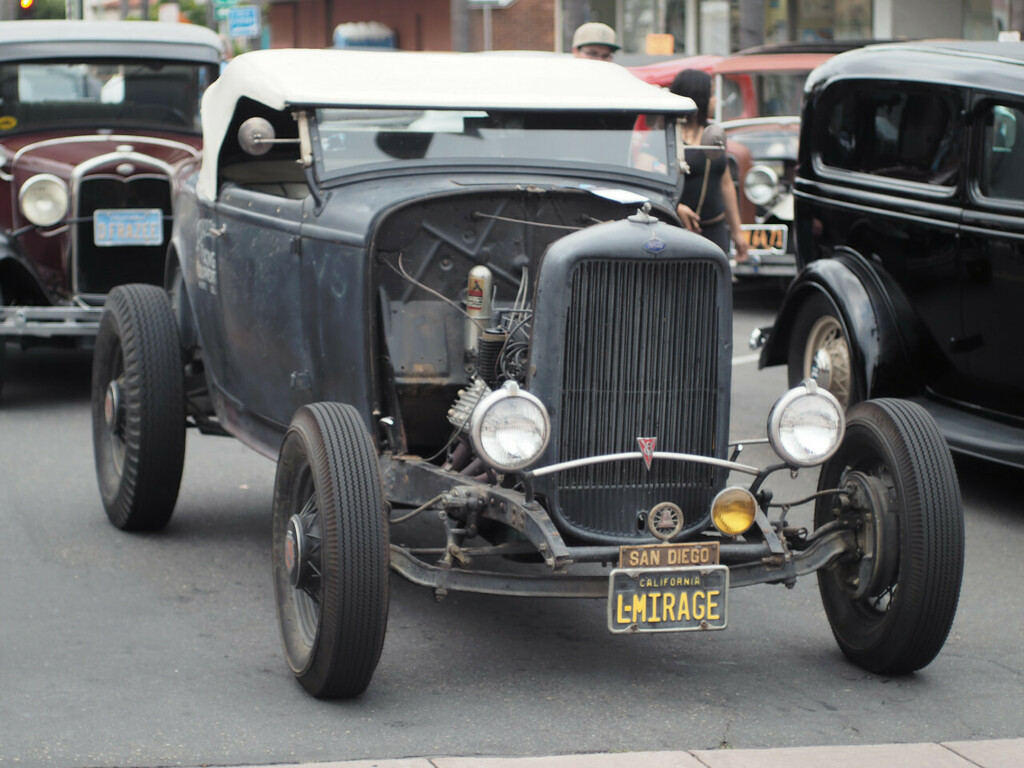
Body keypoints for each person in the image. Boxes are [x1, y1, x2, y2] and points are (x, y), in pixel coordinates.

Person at [670, 69, 749, 262]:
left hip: (715, 231)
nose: (715, 100)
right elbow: (650, 185)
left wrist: (737, 231)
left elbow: (726, 184)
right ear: (698, 97)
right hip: (677, 231)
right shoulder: (667, 136)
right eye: (712, 94)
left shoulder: (713, 135)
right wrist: (675, 206)